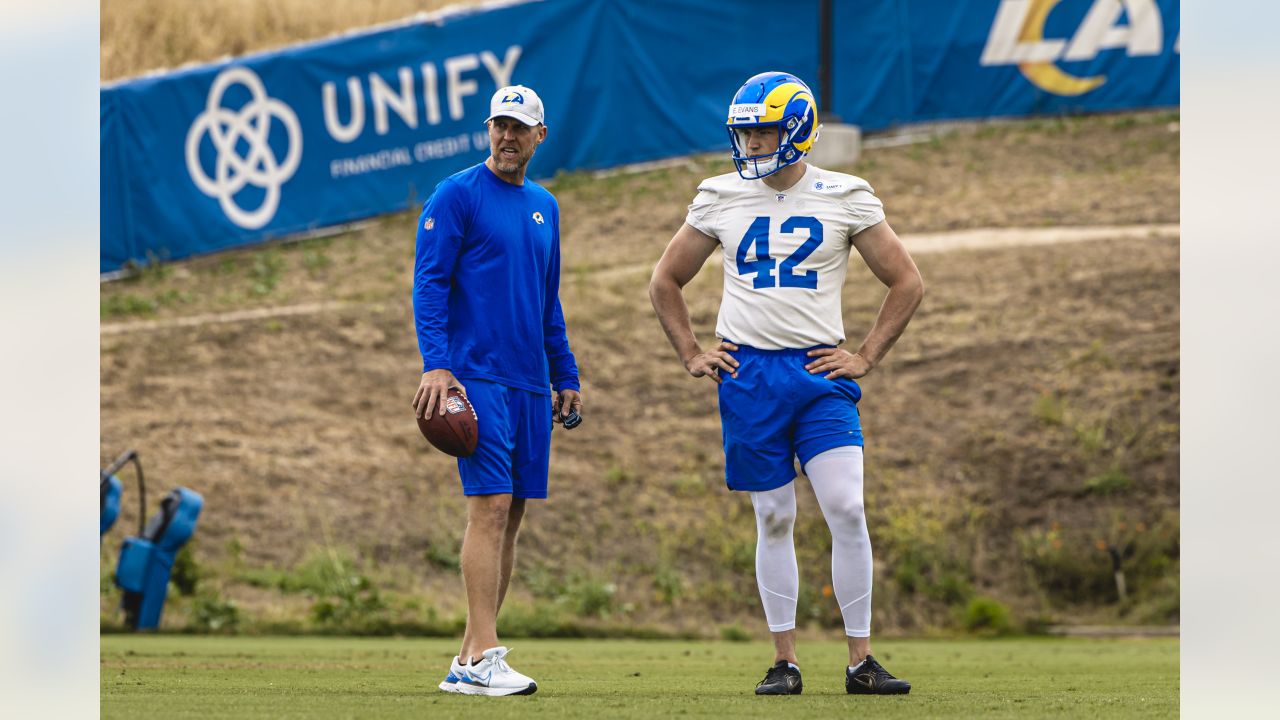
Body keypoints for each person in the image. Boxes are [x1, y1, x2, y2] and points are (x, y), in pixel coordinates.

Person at [649, 71, 923, 696]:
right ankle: (785, 660)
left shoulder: (846, 193)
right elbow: (665, 280)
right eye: (743, 134)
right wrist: (691, 352)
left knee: (848, 509)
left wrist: (867, 356)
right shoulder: (718, 196)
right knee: (774, 518)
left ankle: (861, 661)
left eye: (763, 131)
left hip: (818, 372)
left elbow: (907, 280)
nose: (749, 145)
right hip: (749, 374)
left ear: (798, 129)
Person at [412, 84, 582, 697]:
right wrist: (437, 365)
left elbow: (547, 298)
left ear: (541, 136)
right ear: (489, 130)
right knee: (487, 507)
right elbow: (429, 284)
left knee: (511, 515)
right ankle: (486, 655)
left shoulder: (546, 205)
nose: (507, 137)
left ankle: (466, 661)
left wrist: (564, 373)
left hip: (530, 383)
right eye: (498, 126)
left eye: (519, 128)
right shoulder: (456, 194)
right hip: (474, 377)